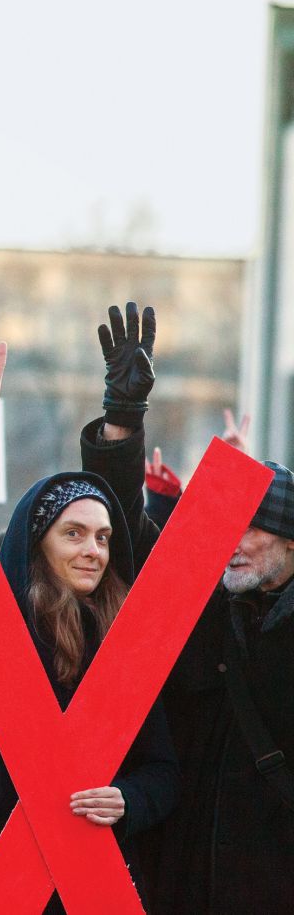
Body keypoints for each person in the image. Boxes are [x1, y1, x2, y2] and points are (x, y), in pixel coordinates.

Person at [0, 324, 179, 913]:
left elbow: (162, 772)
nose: (94, 550)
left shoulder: (126, 644)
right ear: (39, 544)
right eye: (74, 533)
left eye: (104, 537)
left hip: (96, 882)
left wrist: (128, 799)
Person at [82, 315, 294, 911]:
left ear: (289, 540)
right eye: (227, 527)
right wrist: (123, 418)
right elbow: (125, 530)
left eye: (251, 528)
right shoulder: (198, 601)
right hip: (186, 876)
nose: (232, 543)